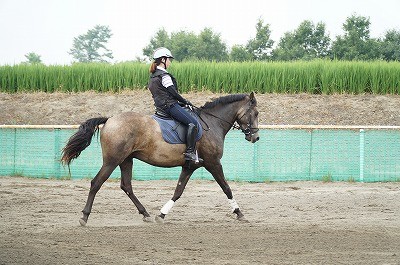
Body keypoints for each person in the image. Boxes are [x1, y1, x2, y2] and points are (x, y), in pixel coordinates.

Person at [148, 47, 199, 162]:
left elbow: (163, 94)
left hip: (160, 107)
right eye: (169, 60)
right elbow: (173, 93)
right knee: (193, 123)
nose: (170, 62)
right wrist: (185, 102)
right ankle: (190, 152)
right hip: (170, 106)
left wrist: (181, 103)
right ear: (163, 60)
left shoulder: (153, 76)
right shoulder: (164, 76)